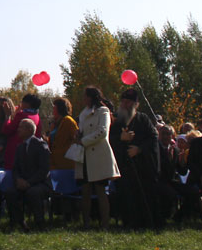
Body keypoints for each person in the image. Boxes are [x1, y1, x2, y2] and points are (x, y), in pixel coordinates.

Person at [109, 88, 160, 229]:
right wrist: (120, 138)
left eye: (128, 102)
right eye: (123, 102)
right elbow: (108, 139)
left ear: (136, 104)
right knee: (125, 195)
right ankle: (128, 222)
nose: (125, 105)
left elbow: (153, 138)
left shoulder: (143, 119)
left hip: (142, 167)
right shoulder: (116, 121)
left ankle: (145, 222)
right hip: (123, 166)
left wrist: (139, 149)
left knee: (144, 195)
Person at [74, 86, 119, 230]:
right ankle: (86, 222)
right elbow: (82, 130)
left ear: (92, 97)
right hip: (85, 156)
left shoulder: (103, 111)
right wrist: (78, 136)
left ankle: (105, 223)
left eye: (85, 96)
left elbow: (102, 131)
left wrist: (84, 140)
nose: (83, 99)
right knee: (85, 191)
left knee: (101, 191)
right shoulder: (83, 114)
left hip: (98, 155)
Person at [7, 118, 51, 231]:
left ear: (28, 129)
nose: (18, 130)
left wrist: (29, 182)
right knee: (10, 193)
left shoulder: (41, 145)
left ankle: (40, 223)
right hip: (23, 182)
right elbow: (15, 169)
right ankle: (20, 222)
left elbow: (44, 170)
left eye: (20, 127)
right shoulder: (20, 147)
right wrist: (18, 180)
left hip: (40, 183)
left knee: (33, 192)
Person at [1, 94, 43, 170]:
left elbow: (7, 130)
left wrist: (8, 116)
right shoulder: (37, 116)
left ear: (27, 104)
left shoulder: (22, 115)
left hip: (15, 153)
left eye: (22, 102)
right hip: (30, 154)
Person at [49, 97, 78, 172]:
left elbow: (76, 138)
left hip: (66, 163)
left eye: (54, 108)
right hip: (55, 163)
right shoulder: (56, 123)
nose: (53, 111)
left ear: (60, 108)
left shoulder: (68, 121)